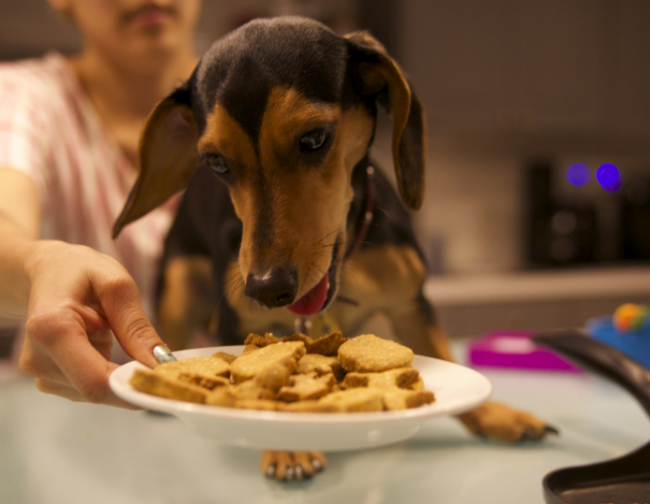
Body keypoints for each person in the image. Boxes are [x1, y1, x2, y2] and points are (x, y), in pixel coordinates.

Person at [0, 0, 201, 407]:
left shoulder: (261, 100)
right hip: (62, 417)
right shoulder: (24, 97)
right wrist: (43, 264)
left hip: (237, 431)